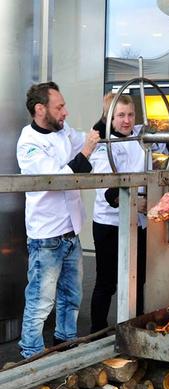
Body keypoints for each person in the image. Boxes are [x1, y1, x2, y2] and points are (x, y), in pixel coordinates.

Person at [16, 81, 100, 358]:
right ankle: (31, 354)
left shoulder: (63, 132)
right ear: (41, 109)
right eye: (59, 106)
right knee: (41, 301)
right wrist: (86, 151)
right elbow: (57, 180)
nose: (65, 112)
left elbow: (89, 138)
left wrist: (109, 116)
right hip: (46, 237)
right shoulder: (28, 144)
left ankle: (66, 344)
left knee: (71, 297)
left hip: (70, 233)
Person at [89, 94, 149, 332]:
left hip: (139, 222)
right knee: (107, 283)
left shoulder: (141, 137)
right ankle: (97, 333)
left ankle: (137, 328)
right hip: (109, 224)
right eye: (121, 116)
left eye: (130, 114)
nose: (127, 121)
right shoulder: (103, 146)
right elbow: (108, 191)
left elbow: (167, 146)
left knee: (139, 280)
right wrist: (136, 202)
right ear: (110, 118)